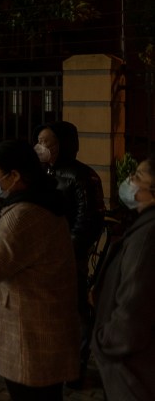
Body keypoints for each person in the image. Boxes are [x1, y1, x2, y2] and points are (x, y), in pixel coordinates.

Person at [0, 140, 79, 400]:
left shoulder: (24, 215)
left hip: (31, 337)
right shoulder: (42, 203)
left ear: (14, 176)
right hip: (44, 331)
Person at [33, 120, 105, 385]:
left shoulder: (82, 176)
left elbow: (88, 221)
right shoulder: (43, 173)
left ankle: (76, 367)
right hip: (44, 257)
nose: (41, 147)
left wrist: (67, 252)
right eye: (39, 141)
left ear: (65, 144)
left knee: (75, 312)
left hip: (69, 257)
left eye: (47, 142)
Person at [92, 155, 155, 401]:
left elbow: (133, 308)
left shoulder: (147, 237)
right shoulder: (144, 227)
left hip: (134, 373)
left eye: (138, 177)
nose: (130, 180)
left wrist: (104, 342)